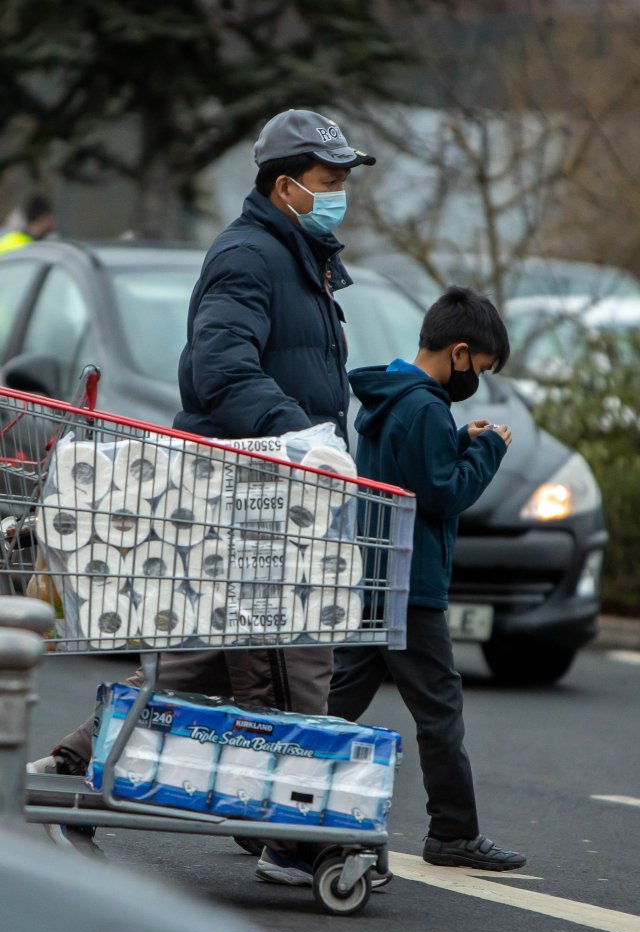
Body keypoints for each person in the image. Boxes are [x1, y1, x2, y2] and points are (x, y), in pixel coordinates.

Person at [30, 109, 389, 886]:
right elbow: (220, 370)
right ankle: (294, 837)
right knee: (291, 661)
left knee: (198, 657)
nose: (340, 197)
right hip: (262, 492)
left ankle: (77, 765)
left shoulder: (302, 257)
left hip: (281, 491)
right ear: (286, 185)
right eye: (329, 184)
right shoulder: (250, 256)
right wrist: (303, 437)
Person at [327, 286, 527, 871]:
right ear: (459, 352)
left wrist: (456, 441)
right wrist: (486, 451)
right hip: (412, 584)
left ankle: (271, 796)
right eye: (481, 368)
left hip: (376, 574)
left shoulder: (393, 396)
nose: (477, 380)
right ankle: (454, 834)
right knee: (440, 711)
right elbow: (442, 495)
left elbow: (411, 468)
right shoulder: (425, 408)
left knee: (337, 702)